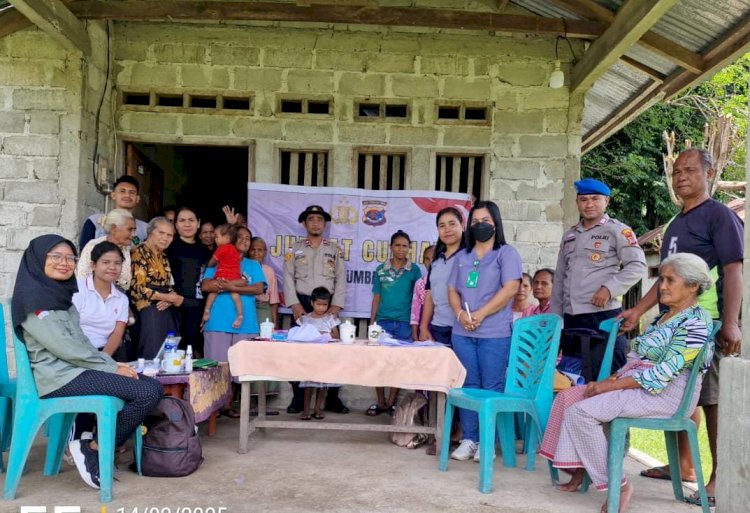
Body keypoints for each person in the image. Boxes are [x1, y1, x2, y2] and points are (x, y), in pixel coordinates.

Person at [541, 253, 715, 513]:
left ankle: (618, 485)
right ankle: (580, 468)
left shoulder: (696, 322)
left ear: (692, 286)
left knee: (581, 413)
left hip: (667, 394)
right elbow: (640, 359)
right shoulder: (664, 316)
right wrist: (615, 378)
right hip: (640, 384)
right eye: (661, 279)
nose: (662, 286)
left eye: (670, 280)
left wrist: (609, 386)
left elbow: (661, 374)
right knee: (568, 398)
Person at [620, 149, 743, 505]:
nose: (681, 177)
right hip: (671, 323)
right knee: (676, 395)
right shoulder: (676, 222)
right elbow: (664, 280)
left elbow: (734, 269)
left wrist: (731, 323)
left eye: (690, 170)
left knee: (710, 400)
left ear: (708, 173)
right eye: (676, 172)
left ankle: (719, 477)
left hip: (706, 323)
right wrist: (639, 311)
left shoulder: (719, 217)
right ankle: (683, 466)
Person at [11, 234, 162, 490]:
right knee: (145, 391)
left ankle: (93, 446)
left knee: (150, 385)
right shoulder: (34, 300)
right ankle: (92, 447)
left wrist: (113, 364)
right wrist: (111, 366)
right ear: (38, 259)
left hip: (76, 370)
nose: (64, 263)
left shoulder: (60, 295)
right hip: (59, 377)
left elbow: (80, 342)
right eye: (56, 257)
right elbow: (65, 347)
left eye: (70, 257)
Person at [448, 200, 522, 461]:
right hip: (463, 333)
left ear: (496, 223)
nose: (480, 226)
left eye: (486, 221)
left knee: (491, 386)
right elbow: (452, 290)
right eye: (476, 222)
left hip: (494, 333)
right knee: (469, 385)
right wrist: (460, 314)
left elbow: (510, 288)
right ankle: (470, 439)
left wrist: (480, 314)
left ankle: (488, 442)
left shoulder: (506, 253)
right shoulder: (462, 256)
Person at [551, 178, 646, 371]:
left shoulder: (618, 230)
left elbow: (637, 265)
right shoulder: (570, 236)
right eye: (584, 200)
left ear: (607, 201)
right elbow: (560, 278)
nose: (589, 204)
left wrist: (609, 289)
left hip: (602, 316)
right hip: (571, 317)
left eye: (595, 199)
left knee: (606, 371)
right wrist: (555, 316)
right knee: (572, 374)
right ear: (577, 202)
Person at [283, 205, 348, 414]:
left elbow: (341, 279)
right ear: (304, 223)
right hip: (302, 304)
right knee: (298, 355)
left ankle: (332, 398)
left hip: (327, 304)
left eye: (319, 219)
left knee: (333, 354)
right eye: (311, 219)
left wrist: (336, 305)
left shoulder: (334, 250)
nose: (316, 223)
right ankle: (298, 399)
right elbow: (287, 278)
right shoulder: (294, 249)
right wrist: (294, 304)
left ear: (325, 224)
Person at [201, 225, 266, 418]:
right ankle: (213, 410)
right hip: (217, 321)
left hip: (245, 324)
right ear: (232, 240)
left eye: (248, 238)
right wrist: (233, 286)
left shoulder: (253, 265)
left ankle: (229, 405)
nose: (246, 241)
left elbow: (258, 288)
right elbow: (206, 285)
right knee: (216, 369)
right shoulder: (218, 260)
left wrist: (225, 285)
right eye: (242, 237)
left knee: (241, 369)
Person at [367, 230, 422, 416]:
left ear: (409, 248)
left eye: (405, 246)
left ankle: (391, 403)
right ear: (391, 247)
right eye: (397, 245)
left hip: (404, 324)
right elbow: (376, 297)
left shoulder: (414, 270)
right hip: (383, 323)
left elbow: (418, 299)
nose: (401, 249)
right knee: (379, 364)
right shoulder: (381, 269)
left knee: (398, 365)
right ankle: (380, 402)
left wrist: (416, 326)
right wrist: (372, 322)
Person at [129, 217, 183, 359]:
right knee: (150, 353)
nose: (165, 238)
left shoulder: (163, 256)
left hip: (165, 308)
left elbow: (168, 285)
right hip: (147, 311)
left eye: (169, 235)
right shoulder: (138, 252)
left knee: (168, 354)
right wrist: (166, 297)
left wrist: (170, 299)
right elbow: (137, 288)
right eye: (161, 233)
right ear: (150, 232)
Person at [418, 207, 466, 345]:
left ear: (462, 225)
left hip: (463, 328)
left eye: (452, 224)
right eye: (442, 226)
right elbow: (430, 295)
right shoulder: (437, 261)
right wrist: (423, 326)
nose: (447, 229)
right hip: (438, 328)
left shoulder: (470, 257)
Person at [73, 241, 129, 356]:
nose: (112, 267)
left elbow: (117, 333)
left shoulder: (122, 299)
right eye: (106, 262)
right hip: (77, 352)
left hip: (106, 353)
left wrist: (103, 360)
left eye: (117, 263)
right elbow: (69, 328)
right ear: (93, 265)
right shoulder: (77, 289)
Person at [167, 207, 210, 356]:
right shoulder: (168, 247)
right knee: (174, 351)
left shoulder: (205, 251)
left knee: (194, 352)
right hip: (173, 306)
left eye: (191, 220)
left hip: (198, 308)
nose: (187, 224)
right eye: (182, 220)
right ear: (176, 225)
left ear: (198, 223)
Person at [297, 287, 341, 421]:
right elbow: (300, 334)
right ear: (311, 302)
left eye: (325, 305)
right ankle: (306, 409)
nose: (321, 308)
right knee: (308, 384)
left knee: (322, 385)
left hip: (325, 356)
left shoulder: (330, 319)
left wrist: (323, 334)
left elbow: (336, 335)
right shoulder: (306, 319)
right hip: (309, 356)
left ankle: (317, 408)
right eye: (318, 304)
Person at [79, 176, 148, 249]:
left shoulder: (145, 228)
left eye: (132, 192)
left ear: (137, 198)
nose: (127, 195)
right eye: (122, 191)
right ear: (113, 195)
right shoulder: (94, 221)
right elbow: (84, 251)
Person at [76, 208, 136, 291]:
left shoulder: (126, 248)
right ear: (114, 229)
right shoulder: (93, 246)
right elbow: (82, 279)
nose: (133, 235)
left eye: (134, 230)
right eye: (130, 230)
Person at [202, 224, 244, 329]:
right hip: (234, 277)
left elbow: (213, 261)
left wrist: (208, 264)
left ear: (227, 238)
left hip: (222, 276)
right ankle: (240, 314)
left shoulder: (221, 248)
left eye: (216, 237)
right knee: (235, 295)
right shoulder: (235, 250)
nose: (215, 239)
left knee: (212, 294)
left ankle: (207, 310)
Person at [250, 236, 280, 327]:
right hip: (246, 306)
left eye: (260, 250)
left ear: (265, 252)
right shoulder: (243, 268)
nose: (256, 253)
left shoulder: (269, 271)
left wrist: (275, 325)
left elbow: (273, 301)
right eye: (253, 249)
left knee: (265, 335)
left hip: (263, 307)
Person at [410, 245, 435, 340]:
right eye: (427, 259)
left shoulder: (447, 281)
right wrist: (415, 334)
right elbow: (415, 310)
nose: (431, 262)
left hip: (441, 327)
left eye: (434, 258)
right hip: (424, 328)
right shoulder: (420, 283)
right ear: (424, 262)